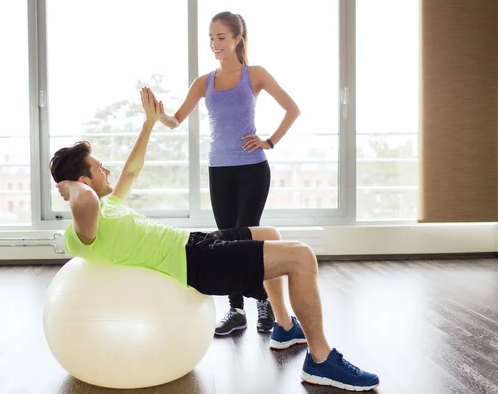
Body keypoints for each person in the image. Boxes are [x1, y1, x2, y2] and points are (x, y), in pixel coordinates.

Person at [50, 88, 380, 391]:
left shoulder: (109, 204)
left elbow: (131, 171)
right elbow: (85, 201)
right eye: (98, 168)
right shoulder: (84, 230)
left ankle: (284, 327)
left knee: (270, 234)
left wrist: (149, 124)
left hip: (195, 243)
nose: (108, 171)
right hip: (196, 264)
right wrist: (70, 186)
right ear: (82, 181)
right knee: (302, 256)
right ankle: (320, 360)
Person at [151, 11, 301, 335]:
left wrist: (269, 141)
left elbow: (293, 109)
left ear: (236, 39)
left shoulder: (254, 74)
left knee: (247, 238)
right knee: (228, 243)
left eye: (221, 37)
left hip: (252, 169)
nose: (214, 43)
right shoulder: (203, 82)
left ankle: (263, 304)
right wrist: (158, 114)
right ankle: (236, 310)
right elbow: (176, 120)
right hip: (219, 170)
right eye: (211, 37)